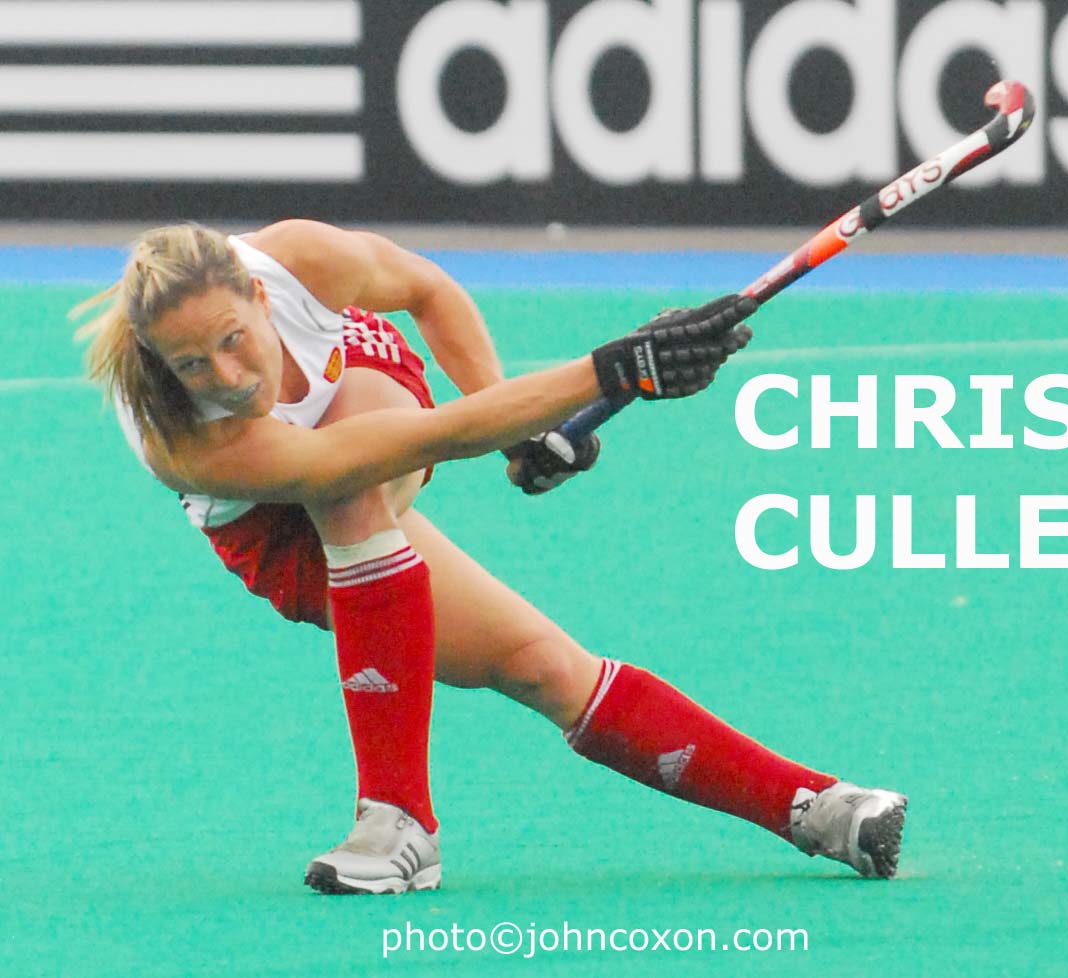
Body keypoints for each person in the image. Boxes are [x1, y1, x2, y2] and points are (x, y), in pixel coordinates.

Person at [75, 219, 907, 894]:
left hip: (363, 389)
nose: (227, 375)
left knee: (354, 488)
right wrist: (610, 372)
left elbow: (428, 290)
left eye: (234, 339)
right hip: (274, 526)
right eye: (193, 363)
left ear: (260, 297)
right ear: (159, 361)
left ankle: (395, 821)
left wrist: (515, 419)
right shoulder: (178, 438)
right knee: (540, 666)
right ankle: (823, 810)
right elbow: (419, 442)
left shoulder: (299, 259)